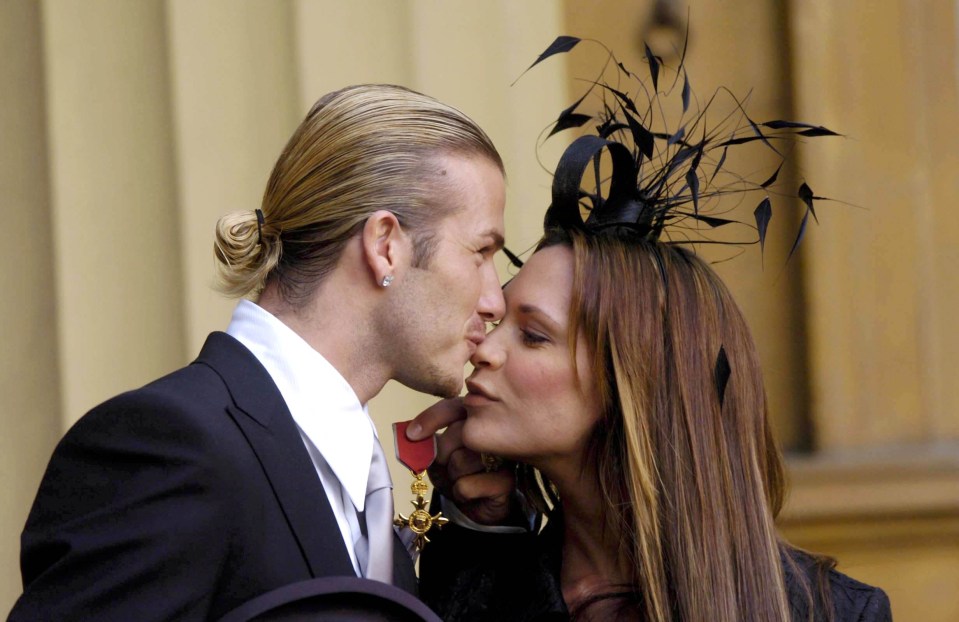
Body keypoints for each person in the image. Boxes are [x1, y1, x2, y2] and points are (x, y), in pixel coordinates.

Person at [414, 39, 893, 621]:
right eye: (497, 320)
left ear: (633, 382)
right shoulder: (477, 578)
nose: (482, 350)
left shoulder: (830, 613)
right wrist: (475, 534)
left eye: (533, 335)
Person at [12, 83, 508, 621]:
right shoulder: (168, 446)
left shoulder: (364, 477)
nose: (495, 300)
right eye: (481, 252)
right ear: (385, 244)